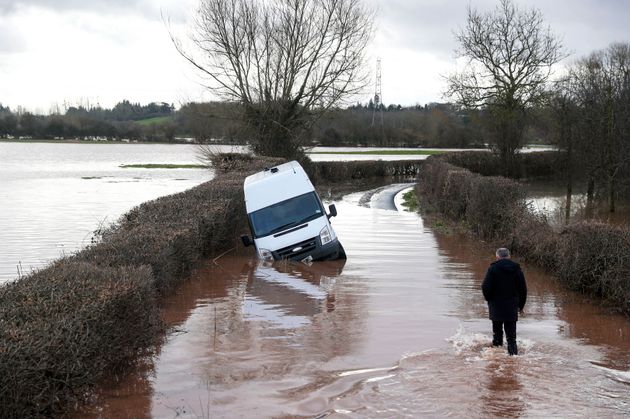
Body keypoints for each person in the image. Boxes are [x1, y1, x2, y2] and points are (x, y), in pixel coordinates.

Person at [481, 248, 527, 355]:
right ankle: (513, 359)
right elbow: (523, 290)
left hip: (496, 307)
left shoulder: (493, 269)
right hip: (511, 307)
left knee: (497, 335)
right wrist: (521, 306)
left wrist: (489, 300)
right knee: (511, 338)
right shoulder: (517, 269)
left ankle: (497, 360)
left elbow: (485, 287)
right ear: (509, 256)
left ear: (497, 257)